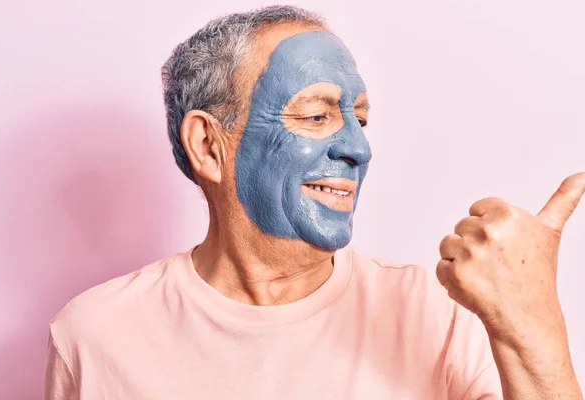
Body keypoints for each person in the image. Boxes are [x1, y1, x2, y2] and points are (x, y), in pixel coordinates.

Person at [44, 5, 584, 399]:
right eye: (316, 115)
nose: (358, 146)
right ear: (210, 146)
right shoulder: (93, 337)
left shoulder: (442, 314)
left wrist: (530, 326)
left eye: (361, 118)